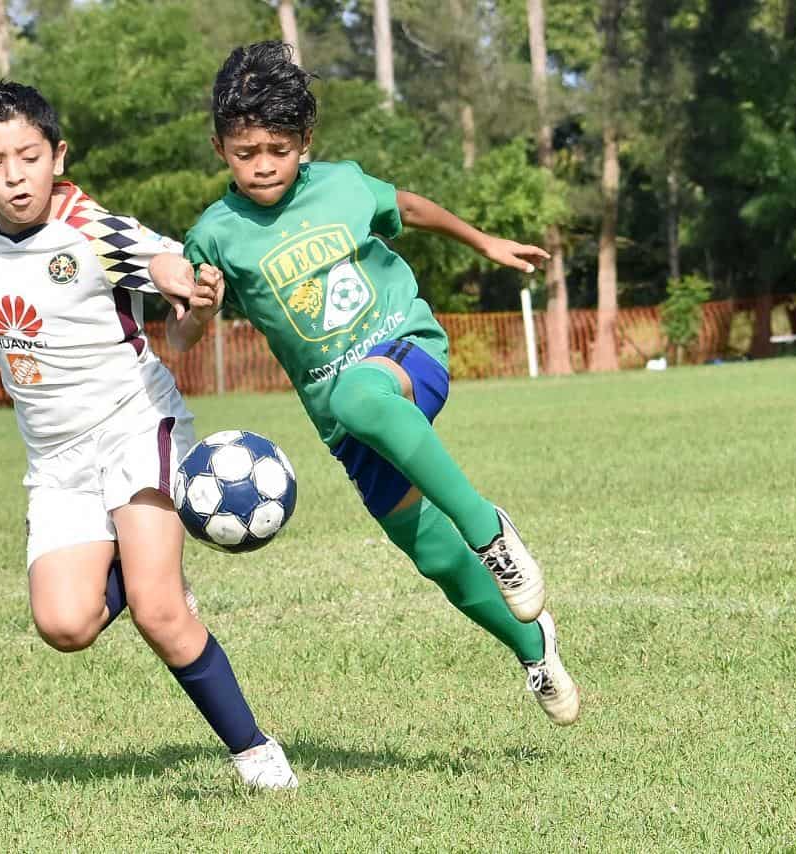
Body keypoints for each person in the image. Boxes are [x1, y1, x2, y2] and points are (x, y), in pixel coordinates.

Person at [0, 81, 297, 788]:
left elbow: (169, 278)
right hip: (55, 458)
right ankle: (140, 569)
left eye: (30, 156)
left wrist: (193, 296)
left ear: (57, 156)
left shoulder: (96, 230)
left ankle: (257, 755)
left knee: (161, 615)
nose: (14, 174)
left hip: (137, 426)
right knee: (65, 626)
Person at [168, 41, 580, 725]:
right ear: (219, 148)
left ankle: (490, 530)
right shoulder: (213, 235)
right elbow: (181, 336)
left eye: (279, 147)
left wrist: (483, 242)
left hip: (405, 351)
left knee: (362, 392)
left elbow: (410, 208)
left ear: (306, 142)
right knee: (433, 557)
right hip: (342, 422)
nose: (263, 165)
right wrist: (201, 310)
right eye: (246, 153)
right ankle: (535, 647)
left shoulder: (344, 185)